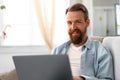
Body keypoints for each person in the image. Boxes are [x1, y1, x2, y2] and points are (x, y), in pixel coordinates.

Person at [51, 3, 114, 80]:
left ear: (87, 23)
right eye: (69, 22)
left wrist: (82, 79)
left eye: (78, 22)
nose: (73, 27)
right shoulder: (57, 51)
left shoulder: (101, 51)